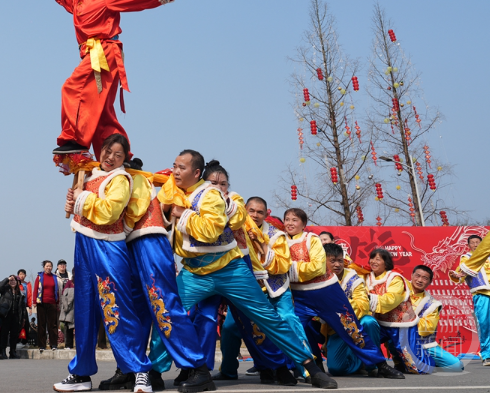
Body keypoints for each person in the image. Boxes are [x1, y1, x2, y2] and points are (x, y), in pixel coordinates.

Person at [150, 150, 337, 390]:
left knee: (268, 318)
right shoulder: (174, 190)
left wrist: (181, 212)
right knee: (167, 313)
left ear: (197, 174)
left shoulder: (216, 197)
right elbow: (162, 215)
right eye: (174, 166)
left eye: (182, 168)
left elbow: (215, 228)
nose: (175, 171)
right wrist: (167, 210)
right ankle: (157, 371)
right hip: (194, 272)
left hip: (231, 270)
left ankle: (311, 369)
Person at [49, 0, 187, 157]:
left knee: (72, 87)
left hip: (103, 51)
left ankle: (74, 139)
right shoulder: (76, 2)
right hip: (95, 54)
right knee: (101, 111)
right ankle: (121, 154)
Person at [55, 133, 152, 393]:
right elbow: (79, 206)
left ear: (124, 158)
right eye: (108, 151)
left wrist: (81, 200)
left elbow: (109, 212)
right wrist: (74, 199)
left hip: (108, 247)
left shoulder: (121, 178)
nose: (110, 157)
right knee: (84, 312)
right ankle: (81, 373)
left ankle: (140, 370)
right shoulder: (89, 174)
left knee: (117, 309)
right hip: (84, 246)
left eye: (117, 155)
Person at [126, 160, 218, 392]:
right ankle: (133, 371)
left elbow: (162, 207)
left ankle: (197, 366)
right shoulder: (102, 179)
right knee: (132, 311)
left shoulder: (158, 183)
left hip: (153, 242)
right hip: (124, 246)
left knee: (165, 306)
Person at [283, 210, 403, 379]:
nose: (290, 223)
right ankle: (310, 367)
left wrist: (289, 270)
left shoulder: (312, 239)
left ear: (303, 224)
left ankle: (379, 364)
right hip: (300, 295)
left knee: (351, 327)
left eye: (294, 220)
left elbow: (317, 267)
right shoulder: (280, 240)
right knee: (295, 327)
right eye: (286, 219)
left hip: (323, 290)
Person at [212, 194, 298, 385]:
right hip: (247, 291)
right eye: (251, 211)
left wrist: (262, 245)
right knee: (229, 327)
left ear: (266, 214)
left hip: (275, 291)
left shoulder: (276, 235)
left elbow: (282, 266)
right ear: (244, 211)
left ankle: (295, 367)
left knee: (287, 320)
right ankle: (228, 370)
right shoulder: (236, 230)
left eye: (260, 212)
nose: (255, 215)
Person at [322, 242, 381, 376]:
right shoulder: (319, 278)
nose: (337, 264)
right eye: (332, 261)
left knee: (369, 321)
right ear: (322, 260)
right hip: (335, 330)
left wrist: (334, 306)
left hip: (356, 325)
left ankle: (371, 364)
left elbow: (363, 306)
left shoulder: (353, 278)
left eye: (340, 260)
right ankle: (359, 361)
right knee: (336, 370)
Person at [366, 248, 418, 374]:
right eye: (372, 258)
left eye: (378, 259)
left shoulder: (395, 278)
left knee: (412, 365)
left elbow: (391, 299)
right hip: (380, 322)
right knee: (367, 337)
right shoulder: (367, 277)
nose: (373, 261)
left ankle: (404, 364)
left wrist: (369, 298)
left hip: (400, 323)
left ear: (386, 263)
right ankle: (372, 365)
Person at [449, 233, 490, 365]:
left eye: (478, 242)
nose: (476, 244)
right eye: (473, 242)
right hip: (482, 293)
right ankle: (488, 355)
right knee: (486, 324)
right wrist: (456, 275)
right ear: (469, 245)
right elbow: (460, 275)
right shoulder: (467, 258)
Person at [408, 265, 463, 372]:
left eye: (425, 278)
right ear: (411, 275)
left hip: (423, 344)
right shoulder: (400, 291)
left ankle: (429, 361)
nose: (419, 280)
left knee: (457, 366)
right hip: (397, 338)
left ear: (430, 282)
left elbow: (427, 329)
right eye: (417, 276)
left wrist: (409, 317)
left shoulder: (432, 304)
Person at [0, 274, 26, 359]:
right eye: (11, 280)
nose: (13, 282)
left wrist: (23, 317)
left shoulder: (20, 292)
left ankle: (12, 351)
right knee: (4, 334)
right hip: (5, 315)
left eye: (14, 280)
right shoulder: (5, 290)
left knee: (14, 335)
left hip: (16, 316)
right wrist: (7, 279)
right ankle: (2, 351)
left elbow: (22, 306)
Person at [33, 260, 60, 352]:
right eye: (47, 266)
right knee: (41, 324)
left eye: (50, 266)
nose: (48, 268)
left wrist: (58, 303)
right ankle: (42, 345)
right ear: (44, 267)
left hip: (52, 303)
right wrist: (34, 302)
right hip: (41, 303)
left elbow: (57, 291)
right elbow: (35, 289)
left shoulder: (54, 277)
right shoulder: (39, 277)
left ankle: (54, 344)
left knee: (52, 325)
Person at [59, 270, 75, 350]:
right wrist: (66, 306)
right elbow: (63, 293)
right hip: (69, 308)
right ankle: (68, 344)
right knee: (68, 326)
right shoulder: (69, 282)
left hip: (79, 308)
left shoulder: (83, 281)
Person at [17, 269, 32, 347]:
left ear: (25, 276)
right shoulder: (16, 284)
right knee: (18, 323)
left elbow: (29, 296)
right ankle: (18, 341)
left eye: (23, 274)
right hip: (17, 306)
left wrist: (30, 307)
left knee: (25, 323)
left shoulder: (27, 284)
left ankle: (25, 341)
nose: (22, 276)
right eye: (20, 274)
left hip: (24, 306)